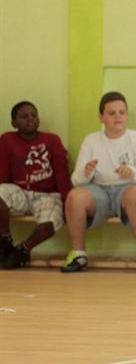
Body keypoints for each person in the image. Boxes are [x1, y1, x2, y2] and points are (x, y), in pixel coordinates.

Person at [61, 92, 136, 273]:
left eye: (122, 112)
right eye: (112, 113)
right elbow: (76, 180)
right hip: (98, 192)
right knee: (75, 197)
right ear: (101, 117)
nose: (118, 116)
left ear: (127, 115)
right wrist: (85, 172)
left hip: (127, 191)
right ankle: (78, 254)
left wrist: (133, 172)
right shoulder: (91, 140)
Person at [0, 101, 70, 269]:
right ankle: (4, 241)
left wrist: (68, 202)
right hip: (20, 192)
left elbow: (62, 174)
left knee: (49, 225)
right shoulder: (7, 139)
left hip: (47, 196)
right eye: (24, 116)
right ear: (14, 123)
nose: (30, 119)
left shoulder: (52, 140)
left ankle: (22, 251)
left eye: (34, 115)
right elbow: (3, 175)